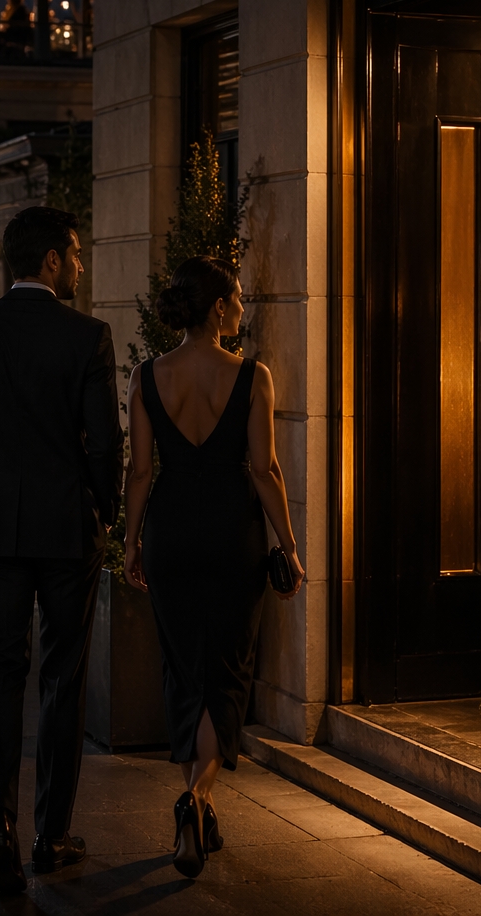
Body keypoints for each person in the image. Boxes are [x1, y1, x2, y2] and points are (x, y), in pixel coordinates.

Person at [0, 206, 123, 894]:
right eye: (73, 255)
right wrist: (107, 510)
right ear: (48, 260)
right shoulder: (88, 337)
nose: (78, 266)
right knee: (62, 680)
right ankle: (50, 833)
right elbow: (105, 443)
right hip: (67, 530)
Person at [121, 256, 306, 879]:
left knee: (183, 668)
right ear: (219, 307)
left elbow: (140, 471)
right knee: (226, 671)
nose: (244, 307)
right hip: (234, 535)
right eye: (239, 298)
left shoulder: (147, 376)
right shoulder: (254, 376)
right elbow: (264, 470)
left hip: (172, 532)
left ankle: (198, 809)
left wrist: (131, 542)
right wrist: (290, 544)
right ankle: (197, 799)